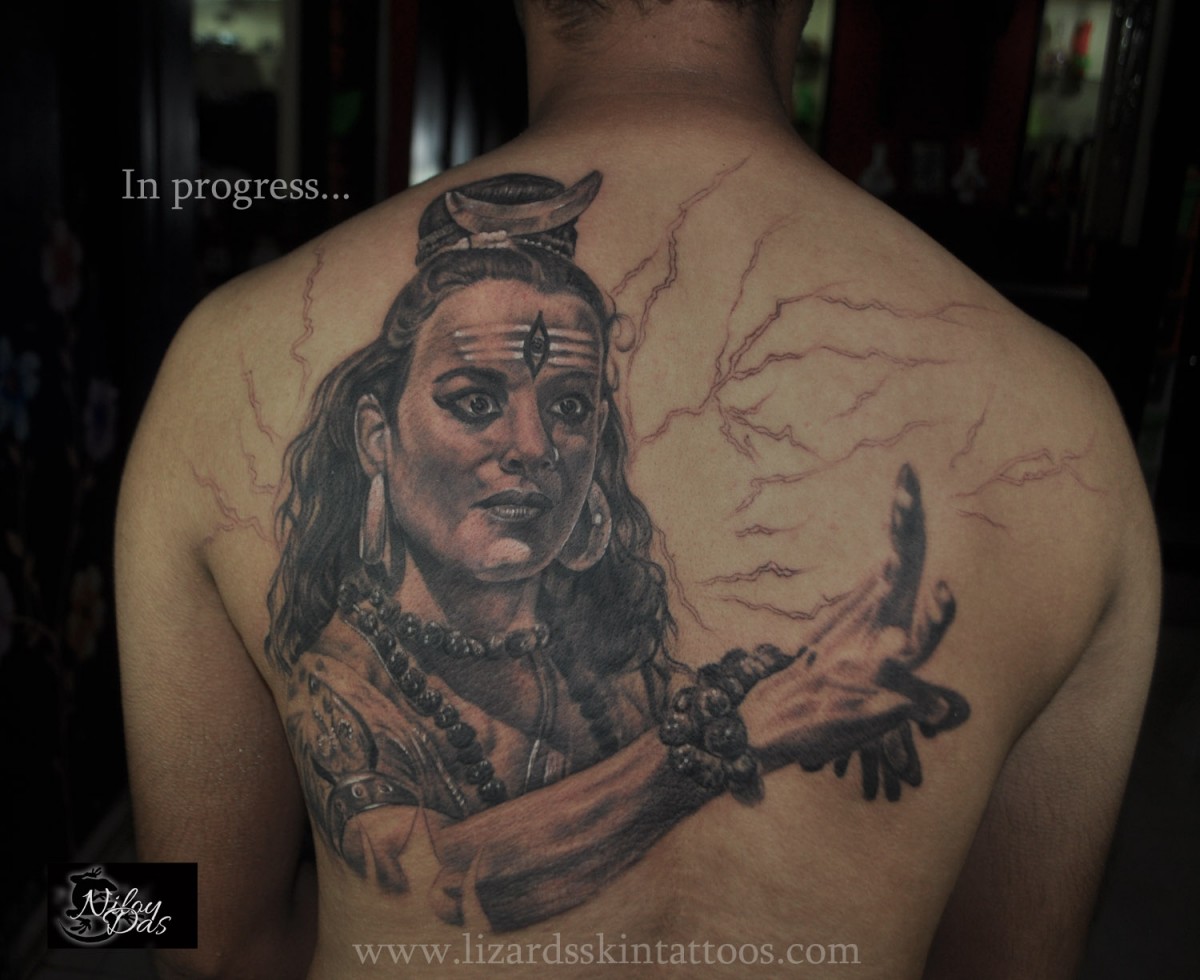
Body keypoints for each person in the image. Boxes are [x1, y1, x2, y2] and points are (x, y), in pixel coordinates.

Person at [117, 1, 1160, 978]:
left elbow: (189, 937)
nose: (533, 447)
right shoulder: (1067, 425)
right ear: (373, 435)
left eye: (571, 406)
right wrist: (740, 739)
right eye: (474, 399)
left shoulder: (218, 369)